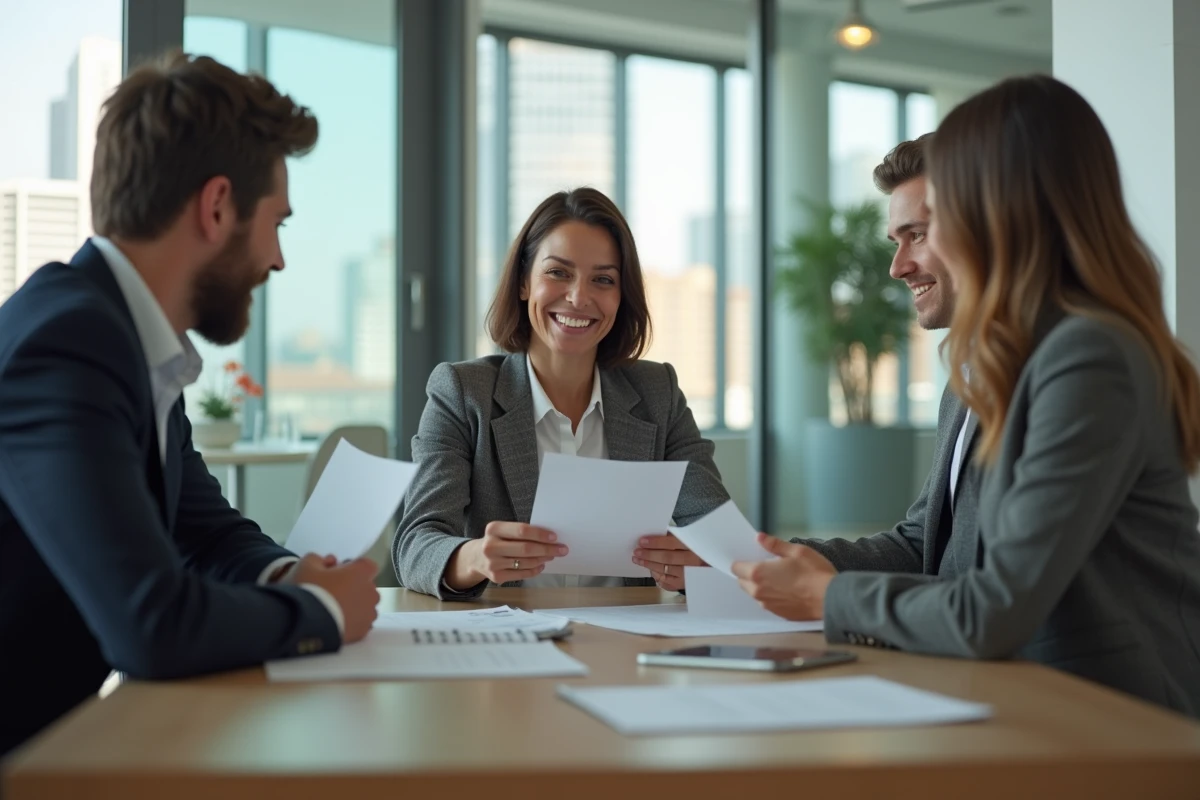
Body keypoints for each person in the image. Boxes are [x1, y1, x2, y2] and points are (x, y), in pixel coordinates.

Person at [733, 74, 1200, 716]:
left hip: (1110, 722)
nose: (903, 263)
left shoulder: (1091, 357)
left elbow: (994, 608)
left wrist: (825, 598)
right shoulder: (986, 366)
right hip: (1010, 701)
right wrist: (776, 559)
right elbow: (930, 548)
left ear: (1001, 210)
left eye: (939, 218)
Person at [0, 52, 381, 756]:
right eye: (278, 222)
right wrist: (324, 610)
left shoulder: (127, 337)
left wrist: (288, 572)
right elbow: (151, 623)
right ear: (216, 208)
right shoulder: (69, 343)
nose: (278, 259)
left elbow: (203, 531)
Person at [394, 187, 729, 599]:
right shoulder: (463, 393)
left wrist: (701, 561)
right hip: (510, 640)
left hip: (626, 642)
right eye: (558, 273)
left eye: (603, 279)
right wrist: (475, 557)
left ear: (621, 297)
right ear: (523, 282)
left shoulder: (658, 393)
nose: (578, 297)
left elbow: (720, 536)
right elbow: (416, 543)